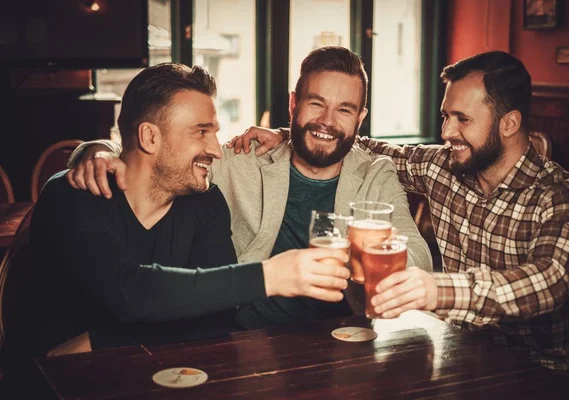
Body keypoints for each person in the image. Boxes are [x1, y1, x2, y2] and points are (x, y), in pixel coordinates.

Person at [226, 51, 569, 381]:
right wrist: (289, 132)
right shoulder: (444, 167)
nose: (446, 131)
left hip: (547, 374)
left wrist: (436, 288)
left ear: (509, 123)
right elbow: (351, 141)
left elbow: (550, 281)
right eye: (445, 116)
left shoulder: (561, 197)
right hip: (463, 355)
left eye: (462, 119)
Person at [65, 47, 433, 329]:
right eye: (315, 103)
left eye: (344, 110)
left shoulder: (375, 174)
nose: (326, 121)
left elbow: (419, 255)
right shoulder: (243, 158)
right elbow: (167, 154)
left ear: (360, 119)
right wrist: (98, 149)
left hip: (338, 336)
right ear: (293, 103)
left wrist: (371, 261)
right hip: (243, 335)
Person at [28, 63, 351, 355]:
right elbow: (128, 291)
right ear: (149, 137)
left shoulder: (205, 202)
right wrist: (271, 275)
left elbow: (216, 321)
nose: (215, 150)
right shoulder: (75, 195)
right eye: (201, 131)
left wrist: (101, 342)